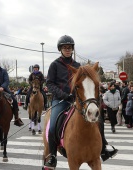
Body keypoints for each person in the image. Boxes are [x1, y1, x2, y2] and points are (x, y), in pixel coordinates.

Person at [44, 35, 118, 169]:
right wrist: (64, 95)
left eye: (69, 47)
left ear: (72, 49)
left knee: (98, 120)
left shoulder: (78, 66)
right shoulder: (54, 65)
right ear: (60, 49)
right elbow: (49, 83)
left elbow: (83, 84)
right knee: (53, 123)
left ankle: (104, 148)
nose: (67, 50)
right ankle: (52, 156)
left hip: (77, 100)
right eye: (65, 47)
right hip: (60, 100)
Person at [0, 57, 24, 130]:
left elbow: (6, 81)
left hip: (2, 90)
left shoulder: (3, 71)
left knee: (14, 100)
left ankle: (17, 119)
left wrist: (2, 87)